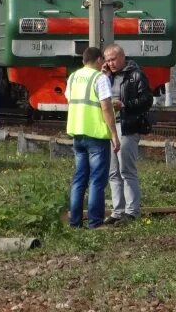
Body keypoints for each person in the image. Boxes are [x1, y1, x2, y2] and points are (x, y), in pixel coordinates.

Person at [66, 47, 120, 229]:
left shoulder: (73, 77)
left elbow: (72, 99)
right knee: (97, 180)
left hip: (77, 134)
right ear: (98, 60)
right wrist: (114, 134)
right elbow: (105, 107)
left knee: (79, 179)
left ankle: (75, 222)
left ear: (83, 60)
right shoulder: (100, 78)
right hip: (96, 135)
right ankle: (95, 223)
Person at [103, 44, 154, 224]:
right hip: (109, 127)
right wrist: (104, 76)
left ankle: (132, 212)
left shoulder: (136, 75)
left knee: (126, 170)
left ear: (123, 57)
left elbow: (147, 100)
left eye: (113, 59)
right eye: (107, 60)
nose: (111, 63)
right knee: (113, 171)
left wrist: (125, 105)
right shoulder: (107, 77)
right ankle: (117, 211)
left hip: (128, 126)